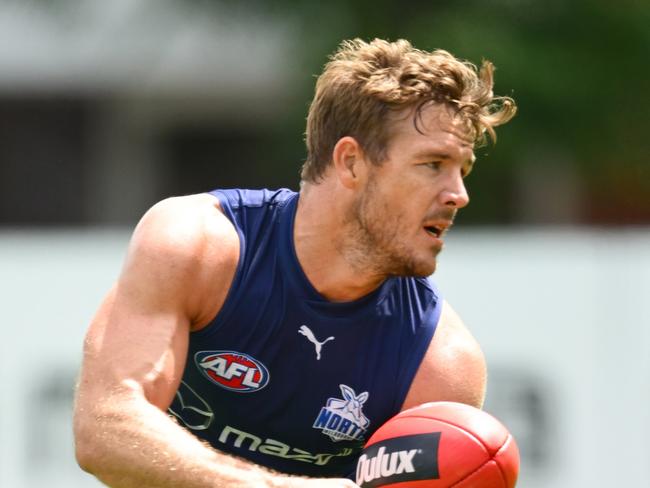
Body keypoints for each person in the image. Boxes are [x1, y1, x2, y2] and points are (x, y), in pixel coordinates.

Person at [73, 38, 516, 487]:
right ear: (350, 162)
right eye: (433, 164)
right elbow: (105, 428)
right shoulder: (201, 245)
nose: (459, 194)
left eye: (463, 169)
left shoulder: (441, 363)